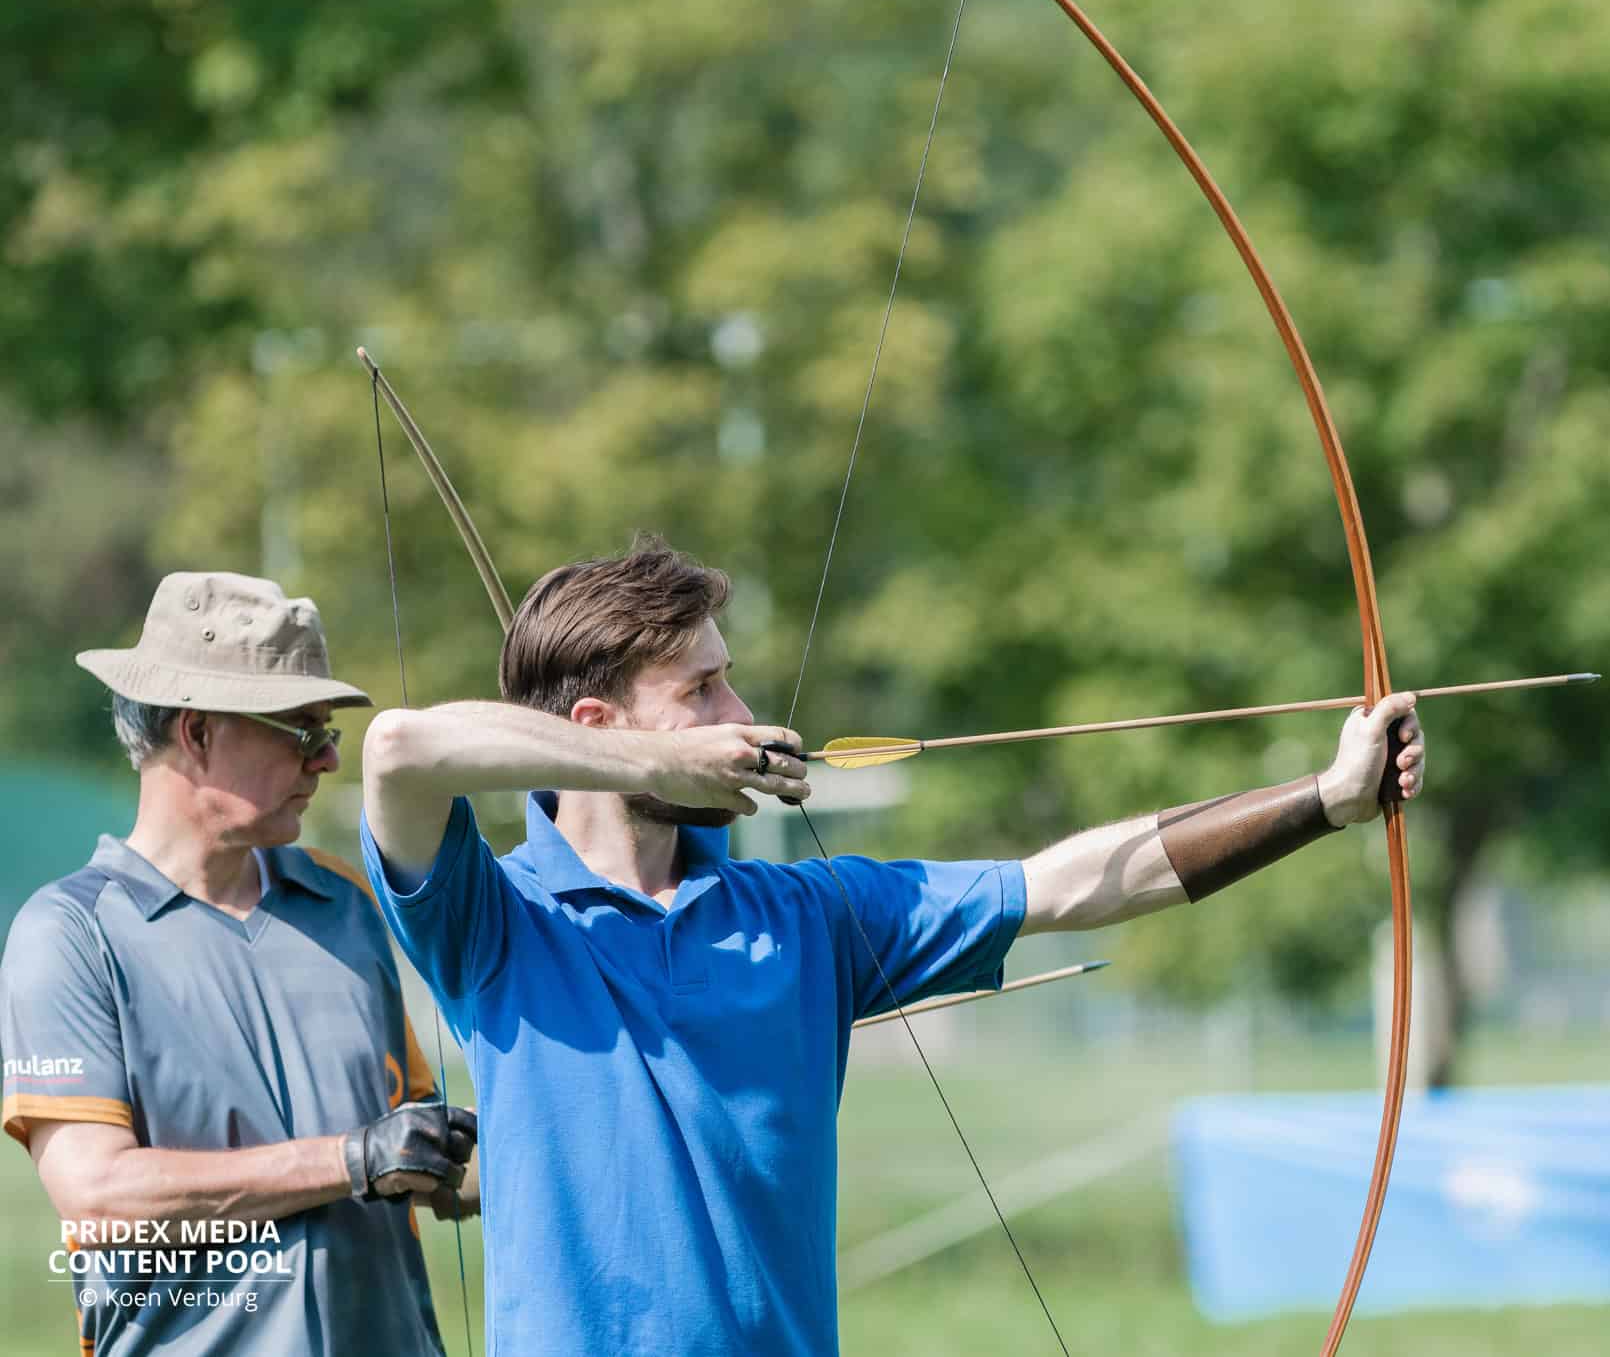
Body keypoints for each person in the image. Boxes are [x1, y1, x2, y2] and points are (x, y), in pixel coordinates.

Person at [357, 538, 1425, 1356]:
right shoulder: (492, 921)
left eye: (727, 680)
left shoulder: (810, 918)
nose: (740, 712)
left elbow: (1068, 883)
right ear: (597, 728)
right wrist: (658, 759)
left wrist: (1325, 801)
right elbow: (401, 748)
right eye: (700, 690)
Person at [0, 571, 479, 1356]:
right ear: (196, 732)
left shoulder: (348, 900)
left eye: (329, 731)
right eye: (301, 730)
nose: (327, 758)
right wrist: (348, 1159)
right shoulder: (69, 933)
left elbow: (418, 1163)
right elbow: (98, 1194)